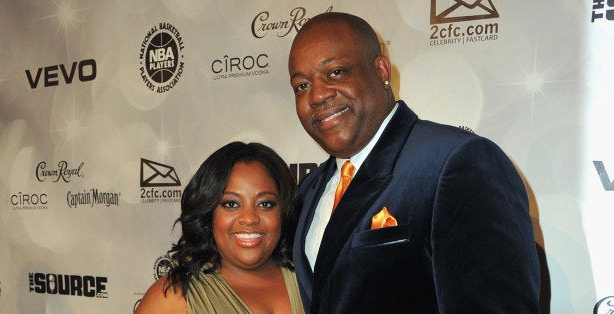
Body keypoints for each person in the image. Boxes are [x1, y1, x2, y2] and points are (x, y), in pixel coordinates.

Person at [288, 12, 541, 313]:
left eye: (336, 72)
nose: (317, 95)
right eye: (301, 85)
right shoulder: (309, 191)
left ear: (381, 70)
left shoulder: (457, 162)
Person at [135, 142, 304, 314]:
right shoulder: (171, 299)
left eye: (265, 204)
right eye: (231, 204)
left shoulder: (310, 281)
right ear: (209, 214)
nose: (249, 218)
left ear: (283, 211)